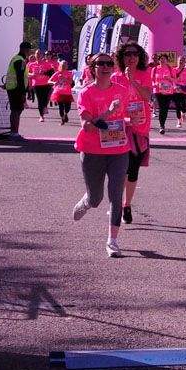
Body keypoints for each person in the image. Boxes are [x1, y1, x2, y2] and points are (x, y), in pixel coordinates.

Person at [70, 53, 133, 257]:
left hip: (118, 149)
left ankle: (112, 241)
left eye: (109, 63)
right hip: (92, 151)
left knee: (116, 195)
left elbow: (128, 114)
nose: (106, 66)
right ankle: (88, 200)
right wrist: (107, 113)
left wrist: (129, 120)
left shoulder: (122, 91)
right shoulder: (86, 93)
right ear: (92, 68)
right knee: (97, 198)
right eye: (101, 64)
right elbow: (87, 127)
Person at [111, 42, 155, 227]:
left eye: (135, 54)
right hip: (120, 127)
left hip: (140, 128)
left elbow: (147, 97)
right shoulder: (114, 76)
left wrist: (133, 81)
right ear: (122, 57)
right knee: (120, 169)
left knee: (133, 169)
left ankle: (127, 204)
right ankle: (117, 205)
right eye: (128, 54)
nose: (131, 57)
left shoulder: (145, 75)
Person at [2, 40, 31, 139]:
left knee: (15, 110)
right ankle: (14, 133)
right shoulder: (20, 60)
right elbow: (19, 77)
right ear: (24, 49)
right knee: (16, 111)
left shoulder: (15, 58)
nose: (29, 52)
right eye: (28, 50)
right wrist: (23, 92)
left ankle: (13, 132)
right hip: (16, 89)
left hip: (12, 88)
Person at [152, 53, 181, 134]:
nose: (162, 60)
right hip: (158, 91)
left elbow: (175, 80)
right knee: (161, 108)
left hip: (168, 91)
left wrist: (168, 78)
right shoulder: (154, 69)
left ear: (167, 60)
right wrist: (155, 84)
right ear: (159, 60)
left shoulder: (171, 69)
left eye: (164, 59)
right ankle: (162, 126)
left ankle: (162, 124)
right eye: (161, 59)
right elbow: (152, 81)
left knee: (165, 109)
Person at [29, 48, 59, 120]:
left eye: (39, 54)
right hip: (36, 84)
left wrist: (45, 73)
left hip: (46, 84)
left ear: (42, 55)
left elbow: (53, 73)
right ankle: (41, 116)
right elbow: (27, 74)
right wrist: (32, 74)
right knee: (40, 100)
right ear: (35, 55)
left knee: (45, 99)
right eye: (37, 54)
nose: (38, 55)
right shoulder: (31, 65)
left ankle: (45, 106)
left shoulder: (47, 64)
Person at [49, 59, 75, 124]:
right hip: (58, 93)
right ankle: (62, 118)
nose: (64, 66)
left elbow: (71, 82)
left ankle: (66, 114)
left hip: (67, 93)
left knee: (68, 107)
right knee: (61, 107)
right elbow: (49, 81)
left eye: (65, 65)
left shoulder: (69, 73)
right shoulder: (57, 73)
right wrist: (54, 82)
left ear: (67, 66)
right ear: (60, 66)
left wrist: (65, 79)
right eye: (62, 65)